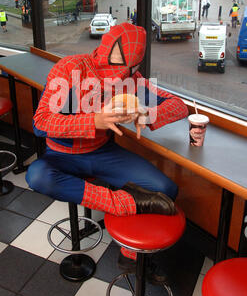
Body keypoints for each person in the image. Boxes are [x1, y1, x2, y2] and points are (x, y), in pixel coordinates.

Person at [25, 22, 189, 277]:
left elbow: (178, 106)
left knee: (167, 189)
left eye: (129, 68)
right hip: (61, 155)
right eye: (116, 64)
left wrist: (146, 114)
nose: (119, 75)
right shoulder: (70, 68)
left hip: (104, 153)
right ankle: (122, 204)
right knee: (37, 176)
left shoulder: (130, 80)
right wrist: (94, 120)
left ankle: (131, 258)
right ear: (104, 50)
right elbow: (41, 123)